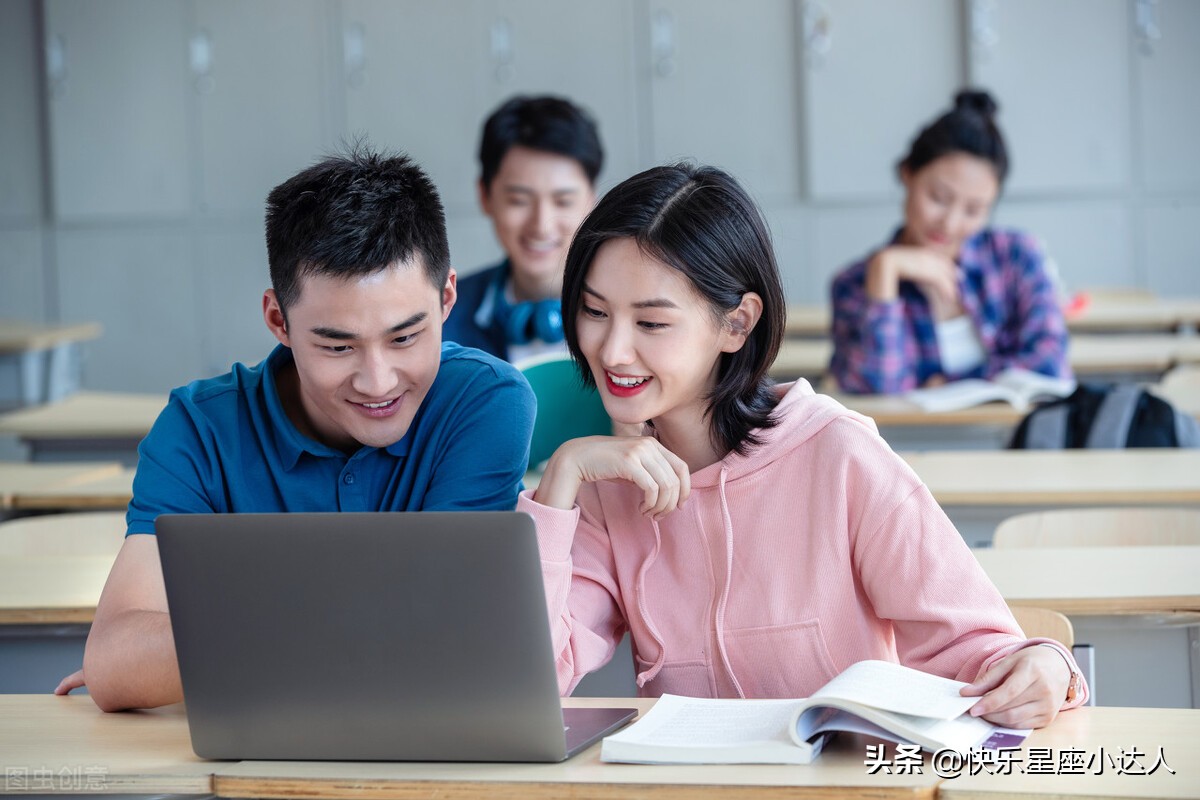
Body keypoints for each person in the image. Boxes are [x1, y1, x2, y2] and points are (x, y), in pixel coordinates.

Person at [520, 162, 1086, 729]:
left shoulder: (839, 457)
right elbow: (533, 681)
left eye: (650, 323)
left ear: (737, 324)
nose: (613, 350)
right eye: (595, 312)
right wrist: (561, 479)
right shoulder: (607, 490)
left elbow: (982, 650)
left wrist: (1046, 665)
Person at [56, 146, 535, 711]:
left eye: (405, 338)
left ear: (447, 297)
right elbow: (116, 665)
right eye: (337, 346)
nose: (378, 381)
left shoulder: (484, 402)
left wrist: (231, 627)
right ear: (278, 320)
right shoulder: (199, 430)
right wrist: (373, 615)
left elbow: (442, 637)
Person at [829, 90, 1071, 395]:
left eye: (973, 210)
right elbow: (875, 391)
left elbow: (1051, 363)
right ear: (908, 174)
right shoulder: (853, 284)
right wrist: (885, 271)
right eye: (939, 198)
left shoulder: (1017, 256)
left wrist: (949, 385)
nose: (951, 223)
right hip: (902, 443)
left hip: (1014, 440)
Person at [444, 94, 602, 364]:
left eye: (563, 201)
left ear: (591, 201)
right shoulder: (443, 316)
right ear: (485, 196)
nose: (542, 225)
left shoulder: (631, 318)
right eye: (519, 200)